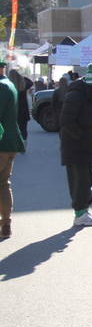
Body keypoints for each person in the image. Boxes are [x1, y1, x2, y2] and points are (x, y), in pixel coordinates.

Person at [59, 64, 92, 227]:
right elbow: (66, 120)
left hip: (87, 146)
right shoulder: (76, 96)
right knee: (80, 181)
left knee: (87, 180)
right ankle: (80, 214)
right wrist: (83, 137)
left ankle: (84, 211)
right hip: (75, 146)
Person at [0, 59, 26, 239]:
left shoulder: (2, 86)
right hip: (9, 142)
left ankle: (6, 222)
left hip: (2, 141)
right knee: (3, 183)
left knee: (3, 183)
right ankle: (6, 222)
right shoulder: (9, 84)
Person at [8, 70, 33, 148]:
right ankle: (23, 142)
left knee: (13, 128)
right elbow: (31, 83)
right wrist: (22, 77)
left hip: (13, 110)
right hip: (23, 110)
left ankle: (14, 144)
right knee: (23, 128)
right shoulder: (23, 85)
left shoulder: (9, 85)